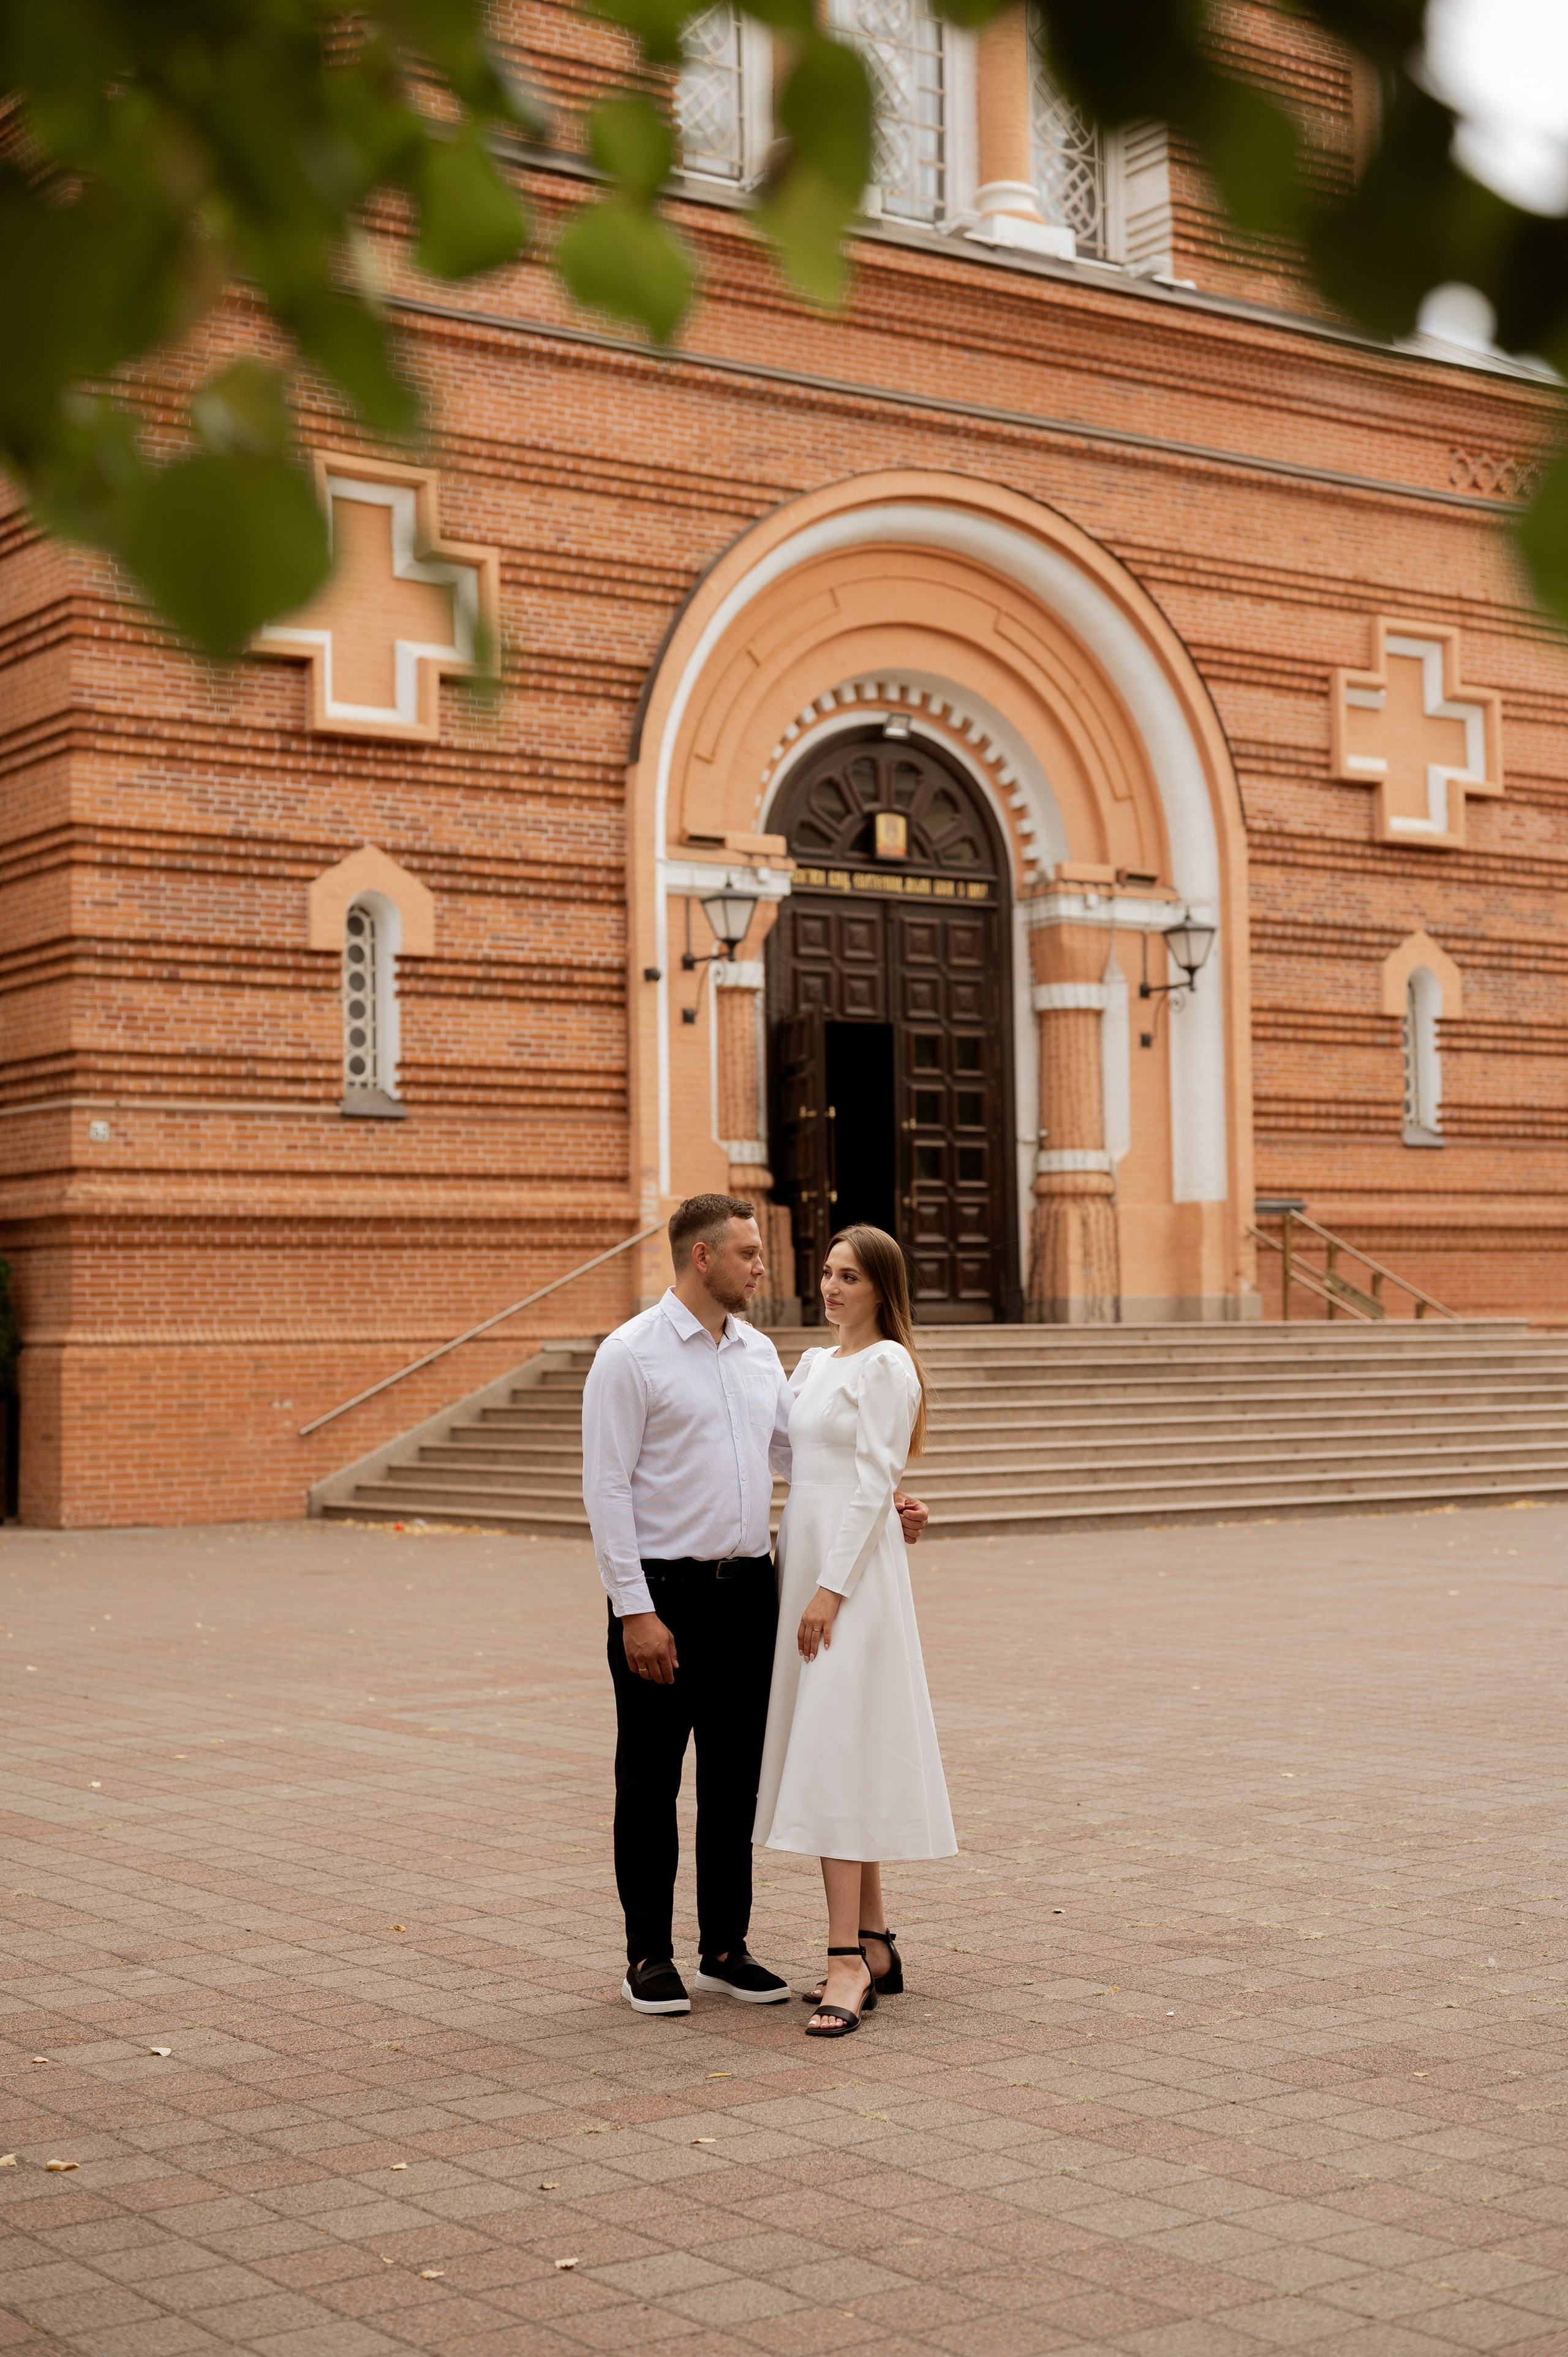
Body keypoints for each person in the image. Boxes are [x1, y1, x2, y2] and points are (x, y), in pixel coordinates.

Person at [581, 1194, 929, 2016]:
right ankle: (649, 1956)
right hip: (662, 1596)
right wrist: (634, 1610)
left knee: (734, 1781)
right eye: (747, 1253)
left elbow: (804, 1454)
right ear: (703, 1259)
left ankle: (725, 1948)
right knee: (651, 1778)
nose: (762, 1267)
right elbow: (606, 1488)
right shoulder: (629, 1356)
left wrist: (891, 1506)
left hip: (751, 1594)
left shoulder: (760, 1355)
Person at [753, 1224, 956, 2038]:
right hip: (807, 1560)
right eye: (826, 1273)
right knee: (838, 1741)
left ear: (882, 1288)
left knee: (835, 1747)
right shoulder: (810, 1364)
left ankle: (844, 1961)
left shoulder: (888, 1364)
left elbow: (875, 1475)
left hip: (850, 1584)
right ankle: (874, 1942)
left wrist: (832, 1589)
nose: (831, 1288)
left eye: (849, 1276)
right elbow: (795, 1465)